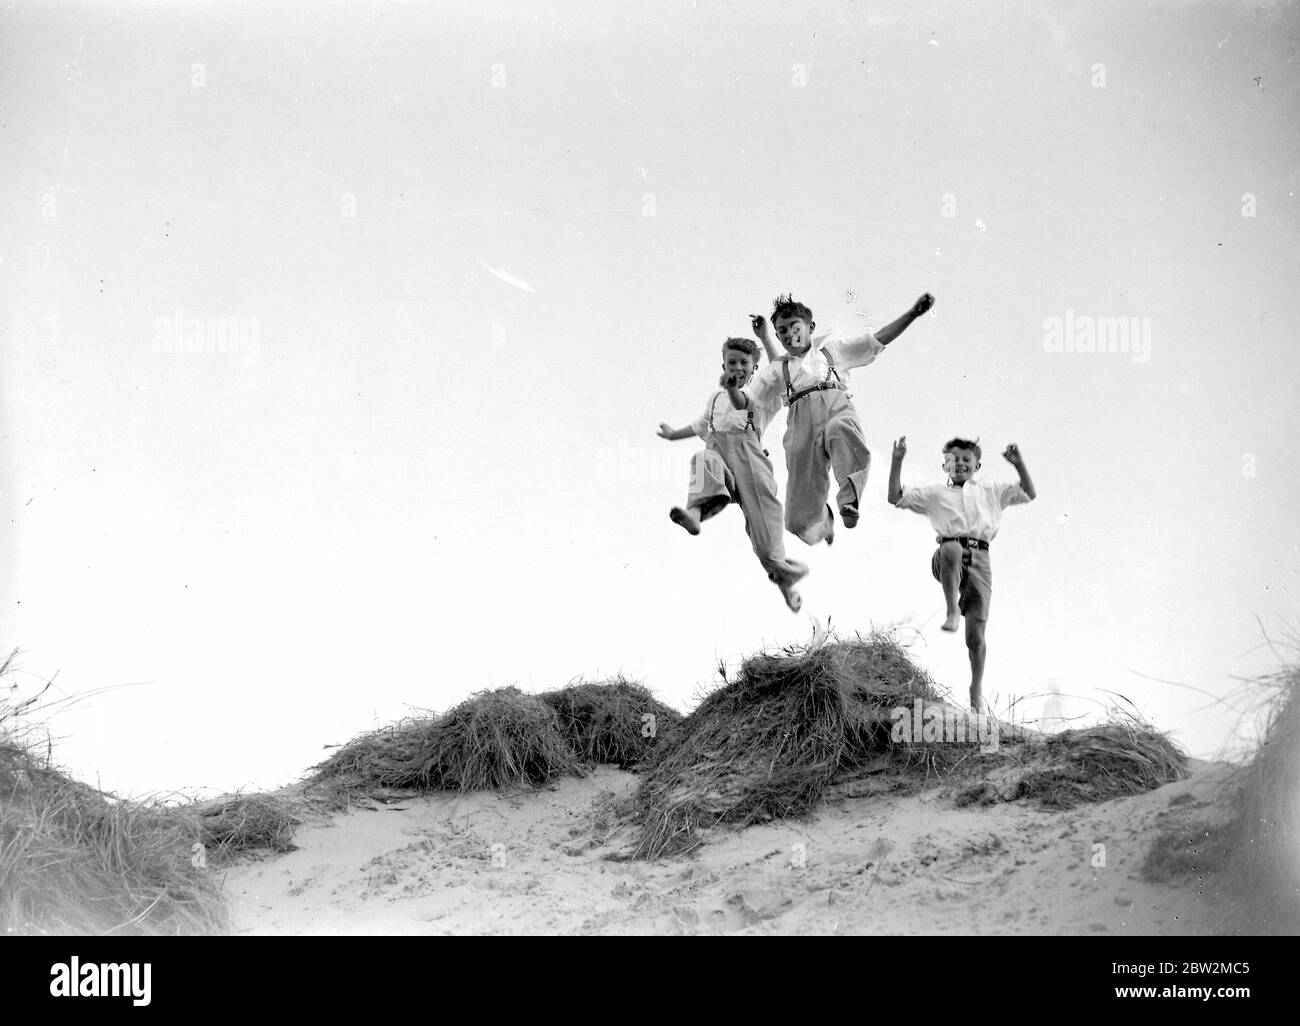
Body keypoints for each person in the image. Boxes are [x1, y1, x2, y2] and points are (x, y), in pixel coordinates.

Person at [724, 292, 934, 546]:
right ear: (778, 336)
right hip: (800, 422)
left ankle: (849, 500)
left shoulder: (831, 352)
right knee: (795, 519)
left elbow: (877, 340)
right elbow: (747, 402)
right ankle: (822, 518)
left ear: (810, 328)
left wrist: (912, 313)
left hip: (834, 404)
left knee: (840, 428)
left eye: (795, 327)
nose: (790, 335)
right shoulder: (780, 369)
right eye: (782, 331)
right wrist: (732, 388)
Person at [657, 334, 808, 611]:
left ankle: (785, 580)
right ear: (723, 366)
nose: (737, 368)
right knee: (703, 458)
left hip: (751, 466)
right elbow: (699, 425)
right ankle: (695, 513)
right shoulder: (715, 398)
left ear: (753, 371)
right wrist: (672, 435)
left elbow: (775, 373)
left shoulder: (762, 394)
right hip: (722, 460)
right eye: (731, 362)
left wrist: (764, 334)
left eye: (744, 364)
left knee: (765, 542)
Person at [888, 436, 1036, 712]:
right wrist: (897, 460)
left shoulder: (991, 490)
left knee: (976, 637)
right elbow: (895, 497)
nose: (960, 464)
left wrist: (1018, 464)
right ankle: (951, 610)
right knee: (952, 547)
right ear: (944, 464)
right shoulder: (935, 494)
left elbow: (1028, 493)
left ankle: (975, 688)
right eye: (953, 459)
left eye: (966, 459)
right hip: (947, 557)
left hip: (981, 559)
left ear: (977, 465)